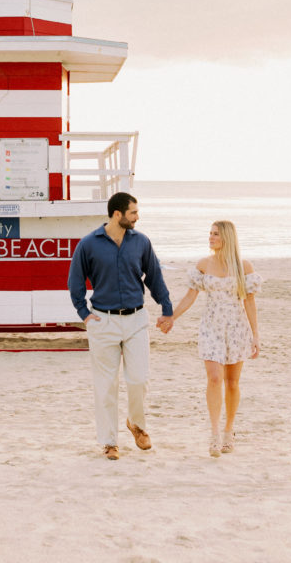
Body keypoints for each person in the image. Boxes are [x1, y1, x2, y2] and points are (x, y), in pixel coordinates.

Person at [68, 191, 174, 460]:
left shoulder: (141, 242)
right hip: (103, 321)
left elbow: (154, 276)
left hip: (137, 320)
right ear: (118, 214)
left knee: (138, 379)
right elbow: (75, 282)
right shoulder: (88, 244)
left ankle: (136, 425)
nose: (138, 217)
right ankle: (109, 442)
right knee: (106, 385)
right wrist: (84, 313)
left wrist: (166, 308)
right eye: (134, 212)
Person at [157, 220, 261, 457]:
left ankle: (228, 430)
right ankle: (214, 432)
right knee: (214, 378)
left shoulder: (244, 266)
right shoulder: (203, 264)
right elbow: (190, 296)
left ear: (226, 237)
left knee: (233, 383)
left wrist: (256, 335)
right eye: (210, 233)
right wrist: (171, 317)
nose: (211, 237)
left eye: (215, 234)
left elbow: (250, 301)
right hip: (211, 327)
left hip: (236, 327)